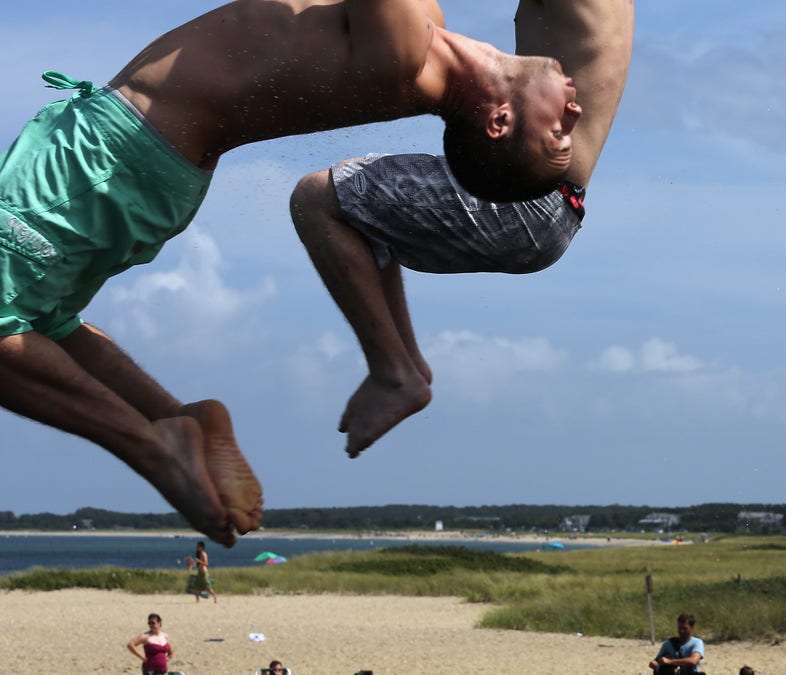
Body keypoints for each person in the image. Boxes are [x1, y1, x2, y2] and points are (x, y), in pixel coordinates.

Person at [0, 0, 585, 546]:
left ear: (499, 122)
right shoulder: (420, 34)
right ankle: (175, 418)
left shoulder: (403, 50)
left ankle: (153, 448)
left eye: (559, 134)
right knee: (40, 322)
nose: (576, 113)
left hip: (111, 155)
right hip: (149, 170)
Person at [290, 0, 635, 457]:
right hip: (550, 207)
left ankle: (394, 370)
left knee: (317, 200)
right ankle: (404, 366)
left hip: (525, 201)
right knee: (366, 214)